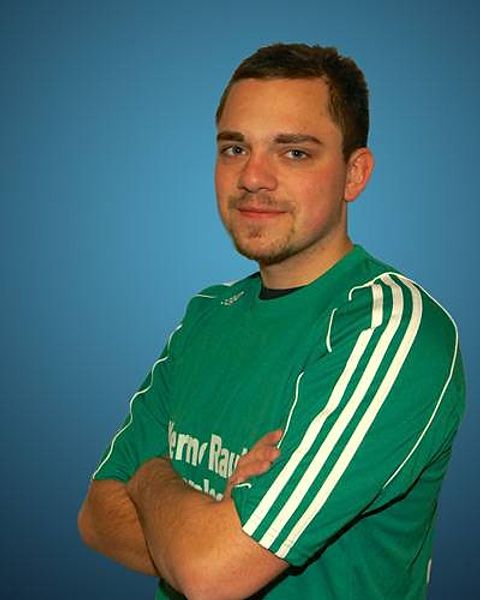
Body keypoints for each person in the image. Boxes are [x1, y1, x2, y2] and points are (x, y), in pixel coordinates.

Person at [78, 43, 465, 600]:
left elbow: (212, 574)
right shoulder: (205, 317)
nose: (253, 177)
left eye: (295, 152)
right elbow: (96, 517)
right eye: (235, 148)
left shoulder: (390, 329)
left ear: (354, 174)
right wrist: (204, 525)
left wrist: (150, 477)